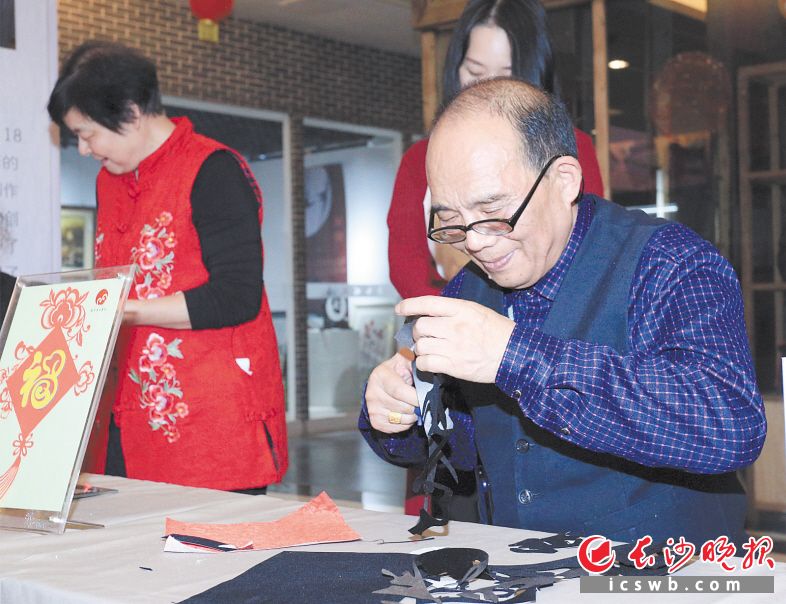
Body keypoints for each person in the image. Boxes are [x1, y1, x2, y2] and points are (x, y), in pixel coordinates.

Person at [360, 77, 767, 545]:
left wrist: (513, 356)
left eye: (493, 210)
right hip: (516, 566)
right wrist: (399, 410)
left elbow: (731, 426)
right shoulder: (468, 289)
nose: (474, 242)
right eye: (451, 220)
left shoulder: (668, 263)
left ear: (565, 180)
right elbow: (463, 451)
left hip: (664, 567)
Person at [47, 41, 287, 491]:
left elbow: (236, 296)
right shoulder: (109, 180)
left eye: (87, 133)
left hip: (210, 425)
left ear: (132, 112)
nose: (82, 149)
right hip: (126, 418)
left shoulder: (212, 169)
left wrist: (125, 310)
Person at [387, 0, 603, 300]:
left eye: (507, 74)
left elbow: (590, 247)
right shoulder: (420, 158)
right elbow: (406, 263)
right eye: (474, 70)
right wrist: (453, 316)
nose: (486, 86)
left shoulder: (571, 148)